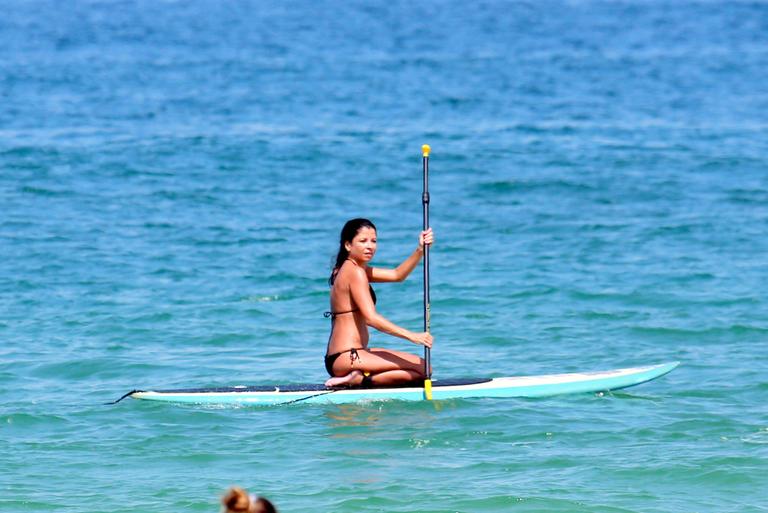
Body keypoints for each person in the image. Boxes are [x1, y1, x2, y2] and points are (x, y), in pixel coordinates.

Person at [324, 218, 434, 388]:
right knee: (424, 369)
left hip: (347, 355)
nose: (370, 246)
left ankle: (358, 376)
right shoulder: (355, 272)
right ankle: (359, 380)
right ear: (348, 245)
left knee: (421, 369)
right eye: (363, 241)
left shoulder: (348, 268)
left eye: (374, 241)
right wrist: (412, 336)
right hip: (348, 355)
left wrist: (420, 249)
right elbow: (371, 318)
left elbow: (398, 275)